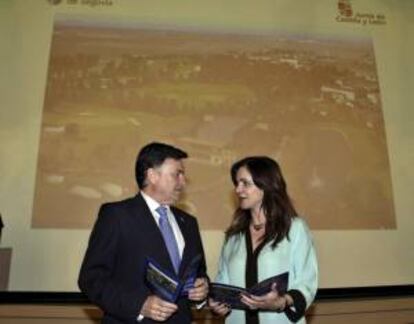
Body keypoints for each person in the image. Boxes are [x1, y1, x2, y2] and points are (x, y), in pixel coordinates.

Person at [78, 142, 209, 323]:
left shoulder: (189, 223)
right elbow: (91, 279)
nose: (183, 182)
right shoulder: (117, 215)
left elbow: (199, 272)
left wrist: (202, 289)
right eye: (177, 174)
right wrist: (139, 305)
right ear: (152, 175)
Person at [209, 156, 318, 324]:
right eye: (237, 183)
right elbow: (223, 281)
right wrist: (217, 303)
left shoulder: (295, 228)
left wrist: (282, 302)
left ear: (266, 185)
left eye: (245, 183)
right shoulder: (233, 236)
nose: (238, 190)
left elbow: (307, 281)